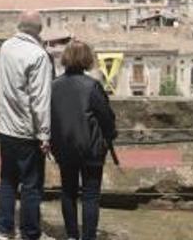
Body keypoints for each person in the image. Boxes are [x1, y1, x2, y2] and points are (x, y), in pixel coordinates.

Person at [0, 10, 55, 240]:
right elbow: (40, 100)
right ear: (39, 31)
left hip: (5, 127)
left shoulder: (6, 47)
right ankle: (30, 232)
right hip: (26, 131)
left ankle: (3, 229)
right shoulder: (38, 56)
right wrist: (44, 135)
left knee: (8, 180)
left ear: (19, 26)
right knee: (31, 185)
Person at [50, 41, 117, 240]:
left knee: (68, 192)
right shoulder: (92, 86)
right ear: (87, 59)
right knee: (90, 195)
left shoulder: (54, 86)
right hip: (91, 148)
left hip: (64, 147)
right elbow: (106, 117)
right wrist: (109, 138)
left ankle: (72, 235)